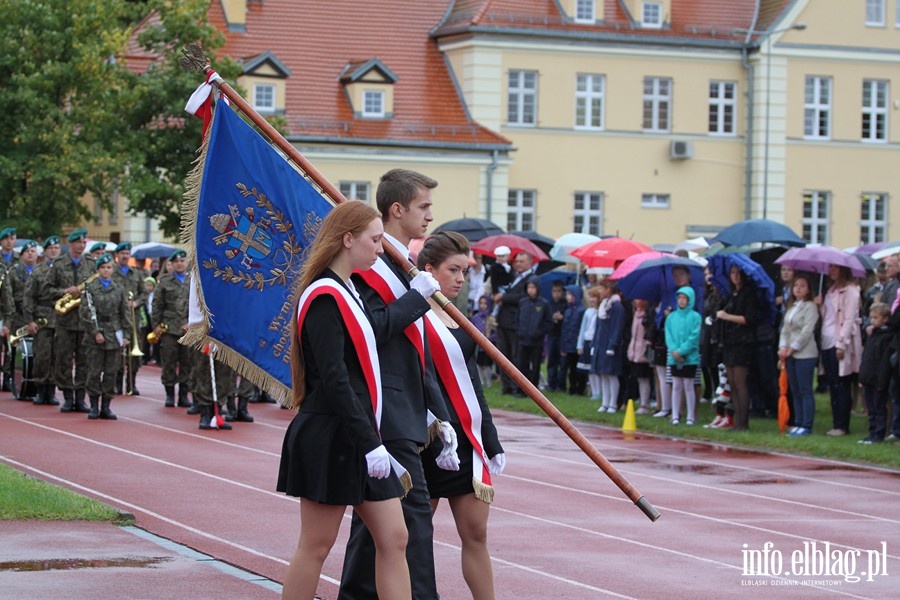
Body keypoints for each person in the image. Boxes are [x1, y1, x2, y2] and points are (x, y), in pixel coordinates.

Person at [277, 200, 412, 600]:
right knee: (316, 545)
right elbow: (335, 379)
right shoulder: (324, 296)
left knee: (395, 537)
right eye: (375, 240)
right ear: (348, 239)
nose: (380, 248)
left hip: (359, 434)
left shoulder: (348, 290)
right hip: (332, 435)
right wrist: (371, 442)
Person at [341, 168, 457, 600]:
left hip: (407, 411)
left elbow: (415, 350)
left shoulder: (401, 264)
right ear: (397, 209)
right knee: (410, 525)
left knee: (376, 531)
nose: (430, 215)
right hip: (385, 414)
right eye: (423, 206)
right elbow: (369, 332)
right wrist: (415, 299)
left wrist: (437, 413)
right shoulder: (374, 266)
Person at [418, 231, 505, 600]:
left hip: (465, 440)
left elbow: (472, 383)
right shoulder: (412, 314)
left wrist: (490, 437)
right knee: (415, 537)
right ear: (428, 270)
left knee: (477, 535)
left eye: (465, 271)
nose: (460, 278)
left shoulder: (457, 315)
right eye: (453, 270)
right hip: (426, 439)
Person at [45, 228, 95, 413]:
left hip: (84, 321)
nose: (81, 246)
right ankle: (67, 397)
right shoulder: (58, 264)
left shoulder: (91, 264)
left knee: (84, 361)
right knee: (63, 360)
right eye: (78, 243)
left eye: (83, 243)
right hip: (65, 321)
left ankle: (80, 398)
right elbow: (47, 291)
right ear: (71, 244)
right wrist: (65, 291)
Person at [79, 253, 130, 420]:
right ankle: (94, 405)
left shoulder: (119, 289)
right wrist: (95, 332)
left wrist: (126, 334)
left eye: (109, 267)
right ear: (98, 269)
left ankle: (106, 406)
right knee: (94, 372)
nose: (106, 270)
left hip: (114, 333)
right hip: (96, 333)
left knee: (111, 372)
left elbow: (124, 313)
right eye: (103, 268)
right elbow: (85, 313)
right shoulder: (90, 288)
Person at [817, 264, 862, 437]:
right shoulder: (831, 290)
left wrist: (842, 344)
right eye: (830, 268)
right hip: (826, 339)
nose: (832, 270)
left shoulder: (850, 290)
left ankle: (842, 425)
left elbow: (849, 318)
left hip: (839, 340)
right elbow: (828, 317)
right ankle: (836, 422)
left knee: (841, 383)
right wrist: (820, 306)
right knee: (833, 384)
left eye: (836, 268)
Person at [151, 249, 195, 411]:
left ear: (186, 262)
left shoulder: (193, 281)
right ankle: (170, 394)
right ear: (172, 263)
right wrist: (156, 325)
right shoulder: (164, 281)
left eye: (182, 261)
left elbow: (197, 306)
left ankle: (183, 395)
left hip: (188, 329)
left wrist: (192, 323)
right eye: (176, 261)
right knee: (169, 361)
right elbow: (157, 305)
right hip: (169, 328)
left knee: (187, 362)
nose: (179, 264)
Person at [716, 265, 758, 431]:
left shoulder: (748, 294)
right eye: (732, 273)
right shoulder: (731, 294)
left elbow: (749, 319)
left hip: (743, 342)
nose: (735, 276)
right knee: (732, 382)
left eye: (738, 273)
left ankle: (743, 421)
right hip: (729, 341)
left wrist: (727, 317)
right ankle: (736, 419)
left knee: (740, 382)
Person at [777, 273, 819, 437]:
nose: (798, 289)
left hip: (805, 353)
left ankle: (806, 424)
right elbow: (785, 330)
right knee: (794, 389)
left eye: (802, 286)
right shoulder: (792, 307)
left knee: (805, 389)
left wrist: (793, 348)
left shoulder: (810, 307)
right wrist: (782, 347)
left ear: (808, 289)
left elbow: (806, 331)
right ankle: (798, 422)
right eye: (796, 286)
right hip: (790, 354)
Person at [22, 236, 61, 405]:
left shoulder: (63, 270)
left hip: (61, 318)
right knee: (42, 356)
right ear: (44, 251)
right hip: (43, 318)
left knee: (57, 356)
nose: (54, 251)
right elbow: (29, 297)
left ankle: (52, 390)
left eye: (57, 248)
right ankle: (40, 388)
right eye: (50, 248)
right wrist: (29, 320)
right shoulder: (38, 271)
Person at [493, 251, 536, 395]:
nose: (518, 264)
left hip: (516, 322)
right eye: (517, 261)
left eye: (522, 261)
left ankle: (517, 386)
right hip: (503, 320)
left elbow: (523, 296)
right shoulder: (512, 276)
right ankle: (507, 386)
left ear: (530, 262)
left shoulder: (532, 278)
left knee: (516, 356)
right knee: (503, 355)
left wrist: (504, 297)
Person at [110, 242, 148, 396]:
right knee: (118, 352)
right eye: (122, 254)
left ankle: (131, 383)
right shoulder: (111, 272)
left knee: (134, 353)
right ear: (117, 256)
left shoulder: (137, 274)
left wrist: (136, 302)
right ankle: (117, 382)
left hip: (133, 318)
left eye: (127, 253)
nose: (125, 256)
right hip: (117, 319)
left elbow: (144, 294)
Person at [665, 286, 701, 425]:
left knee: (689, 385)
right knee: (676, 385)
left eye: (684, 298)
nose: (681, 301)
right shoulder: (671, 317)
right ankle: (675, 415)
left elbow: (694, 337)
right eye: (679, 298)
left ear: (690, 300)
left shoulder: (695, 317)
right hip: (674, 357)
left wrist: (681, 351)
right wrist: (674, 350)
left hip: (690, 358)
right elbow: (668, 335)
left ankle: (690, 416)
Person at [857, 302, 892, 444]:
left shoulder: (887, 336)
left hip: (878, 378)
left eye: (876, 318)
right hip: (868, 377)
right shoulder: (871, 335)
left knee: (879, 407)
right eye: (871, 318)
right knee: (871, 408)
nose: (872, 321)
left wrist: (881, 380)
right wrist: (862, 376)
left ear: (885, 319)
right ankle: (871, 432)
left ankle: (879, 434)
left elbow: (883, 361)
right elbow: (866, 357)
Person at [592, 279, 625, 413]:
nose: (600, 291)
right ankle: (605, 402)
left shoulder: (617, 307)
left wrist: (612, 345)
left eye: (602, 288)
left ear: (609, 289)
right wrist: (595, 344)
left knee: (612, 374)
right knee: (603, 374)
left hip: (610, 345)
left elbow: (617, 327)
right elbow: (598, 327)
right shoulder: (604, 305)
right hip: (601, 343)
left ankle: (613, 403)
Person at [516, 275, 552, 393]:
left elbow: (549, 322)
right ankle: (520, 389)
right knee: (521, 365)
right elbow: (518, 318)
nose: (531, 290)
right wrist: (520, 331)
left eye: (533, 287)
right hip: (523, 339)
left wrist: (539, 332)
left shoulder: (544, 304)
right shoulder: (523, 302)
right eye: (529, 287)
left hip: (537, 341)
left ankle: (533, 390)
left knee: (536, 365)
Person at [626, 298, 653, 414]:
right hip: (634, 350)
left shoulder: (647, 315)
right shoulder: (635, 314)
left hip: (643, 350)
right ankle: (641, 399)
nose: (635, 302)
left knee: (644, 378)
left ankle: (644, 403)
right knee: (638, 378)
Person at [558, 284, 586, 395]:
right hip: (568, 344)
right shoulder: (568, 311)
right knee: (570, 368)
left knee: (579, 368)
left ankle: (580, 388)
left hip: (577, 344)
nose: (568, 297)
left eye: (570, 294)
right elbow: (565, 329)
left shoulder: (581, 311)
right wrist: (563, 345)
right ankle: (572, 387)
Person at [576, 287, 600, 400]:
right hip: (587, 340)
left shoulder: (601, 312)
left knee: (595, 368)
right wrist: (580, 344)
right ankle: (594, 392)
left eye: (594, 297)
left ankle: (598, 391)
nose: (592, 300)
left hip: (596, 342)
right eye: (590, 297)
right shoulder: (588, 312)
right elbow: (583, 329)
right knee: (588, 369)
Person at [545, 280, 567, 391]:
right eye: (554, 291)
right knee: (551, 361)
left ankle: (561, 384)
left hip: (561, 335)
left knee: (562, 361)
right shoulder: (549, 303)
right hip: (551, 334)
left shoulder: (565, 304)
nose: (556, 293)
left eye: (559, 291)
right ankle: (551, 382)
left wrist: (562, 318)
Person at [470, 294, 494, 388]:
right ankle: (481, 381)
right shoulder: (476, 317)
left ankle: (488, 381)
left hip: (488, 345)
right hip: (477, 345)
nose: (483, 305)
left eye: (485, 303)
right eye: (481, 303)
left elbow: (494, 332)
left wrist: (490, 337)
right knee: (479, 364)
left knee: (486, 364)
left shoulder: (491, 317)